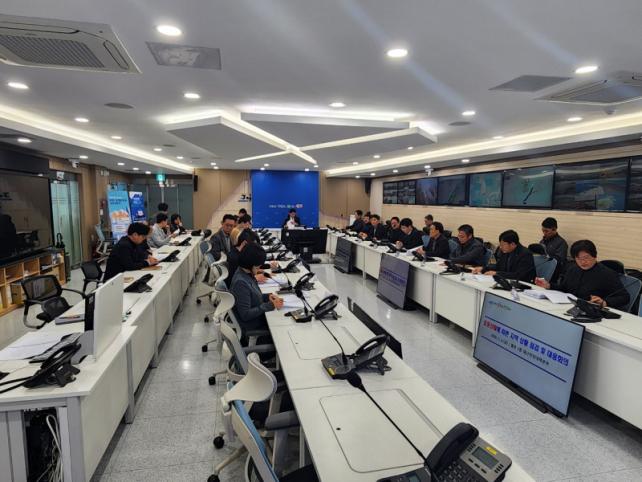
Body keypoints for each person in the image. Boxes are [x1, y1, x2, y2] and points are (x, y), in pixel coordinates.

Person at [535, 240, 629, 310]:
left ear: (595, 256)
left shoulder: (607, 274)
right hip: (570, 308)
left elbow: (624, 297)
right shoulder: (572, 269)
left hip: (593, 312)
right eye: (578, 258)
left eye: (586, 258)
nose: (582, 262)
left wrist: (605, 302)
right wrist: (549, 285)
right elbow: (565, 288)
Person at [230, 243, 284, 341]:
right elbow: (246, 315)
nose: (259, 269)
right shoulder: (240, 283)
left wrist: (268, 296)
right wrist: (270, 305)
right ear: (250, 264)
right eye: (258, 266)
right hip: (253, 325)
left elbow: (253, 296)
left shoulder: (245, 273)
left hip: (259, 317)